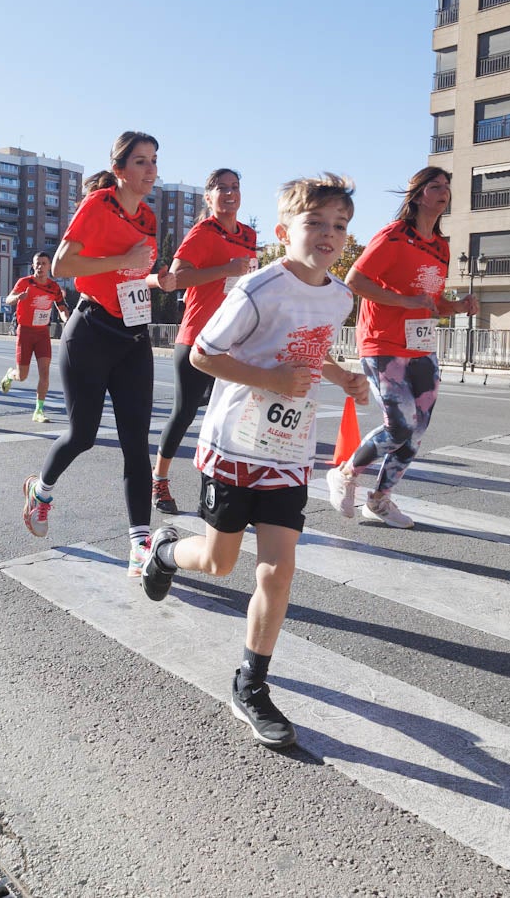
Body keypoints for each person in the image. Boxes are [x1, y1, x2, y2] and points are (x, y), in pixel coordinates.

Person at [141, 173, 368, 749]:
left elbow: (310, 352)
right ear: (282, 230)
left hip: (288, 453)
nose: (327, 235)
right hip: (235, 445)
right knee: (219, 563)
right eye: (314, 222)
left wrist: (342, 377)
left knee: (277, 568)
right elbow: (203, 354)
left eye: (338, 225)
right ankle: (165, 551)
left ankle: (251, 683)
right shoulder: (258, 289)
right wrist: (270, 378)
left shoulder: (340, 295)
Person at [21, 131, 178, 579]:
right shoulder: (97, 205)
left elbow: (134, 273)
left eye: (154, 161)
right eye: (142, 162)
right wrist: (122, 258)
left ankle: (138, 545)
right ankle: (41, 490)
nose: (151, 171)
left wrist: (158, 280)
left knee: (136, 444)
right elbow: (66, 265)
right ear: (120, 170)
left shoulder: (148, 217)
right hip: (89, 331)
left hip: (133, 337)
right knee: (84, 434)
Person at [327, 165, 476, 528]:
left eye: (447, 187)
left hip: (421, 347)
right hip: (383, 345)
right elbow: (355, 280)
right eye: (436, 186)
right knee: (399, 425)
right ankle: (346, 473)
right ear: (418, 194)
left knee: (418, 429)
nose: (444, 192)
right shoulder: (394, 236)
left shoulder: (441, 247)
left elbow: (429, 302)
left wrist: (455, 307)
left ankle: (379, 500)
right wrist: (404, 301)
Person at [151, 167, 257, 513]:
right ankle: (159, 481)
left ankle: (217, 491)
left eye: (235, 187)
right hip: (198, 339)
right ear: (208, 197)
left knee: (230, 420)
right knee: (183, 414)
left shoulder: (249, 235)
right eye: (221, 188)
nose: (230, 193)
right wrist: (226, 269)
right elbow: (178, 277)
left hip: (235, 342)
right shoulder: (202, 232)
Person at [2, 251, 71, 422]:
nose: (40, 266)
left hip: (42, 333)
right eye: (37, 263)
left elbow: (61, 307)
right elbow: (8, 300)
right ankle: (11, 375)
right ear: (33, 266)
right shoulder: (24, 282)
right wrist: (18, 297)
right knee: (22, 376)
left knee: (45, 373)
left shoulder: (54, 287)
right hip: (25, 332)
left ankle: (38, 411)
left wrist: (67, 320)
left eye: (44, 263)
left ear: (49, 266)